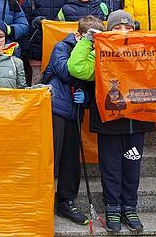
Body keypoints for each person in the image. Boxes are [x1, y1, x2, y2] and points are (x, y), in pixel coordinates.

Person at [67, 10, 156, 233]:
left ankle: (130, 208)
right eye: (116, 28)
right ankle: (112, 208)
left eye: (127, 28)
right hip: (108, 123)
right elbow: (77, 68)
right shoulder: (101, 53)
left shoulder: (144, 52)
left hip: (136, 122)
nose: (122, 32)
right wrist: (89, 42)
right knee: (110, 168)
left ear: (134, 31)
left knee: (131, 168)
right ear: (108, 32)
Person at [41, 15, 105, 226]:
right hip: (56, 108)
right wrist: (86, 50)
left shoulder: (95, 53)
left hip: (75, 111)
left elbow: (93, 83)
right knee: (52, 156)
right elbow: (67, 72)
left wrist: (86, 97)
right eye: (90, 39)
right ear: (79, 35)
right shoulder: (62, 47)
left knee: (70, 159)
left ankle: (66, 201)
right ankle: (42, 200)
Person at [22, 0, 69, 84]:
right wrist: (35, 23)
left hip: (60, 48)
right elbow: (24, 21)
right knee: (37, 82)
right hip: (37, 49)